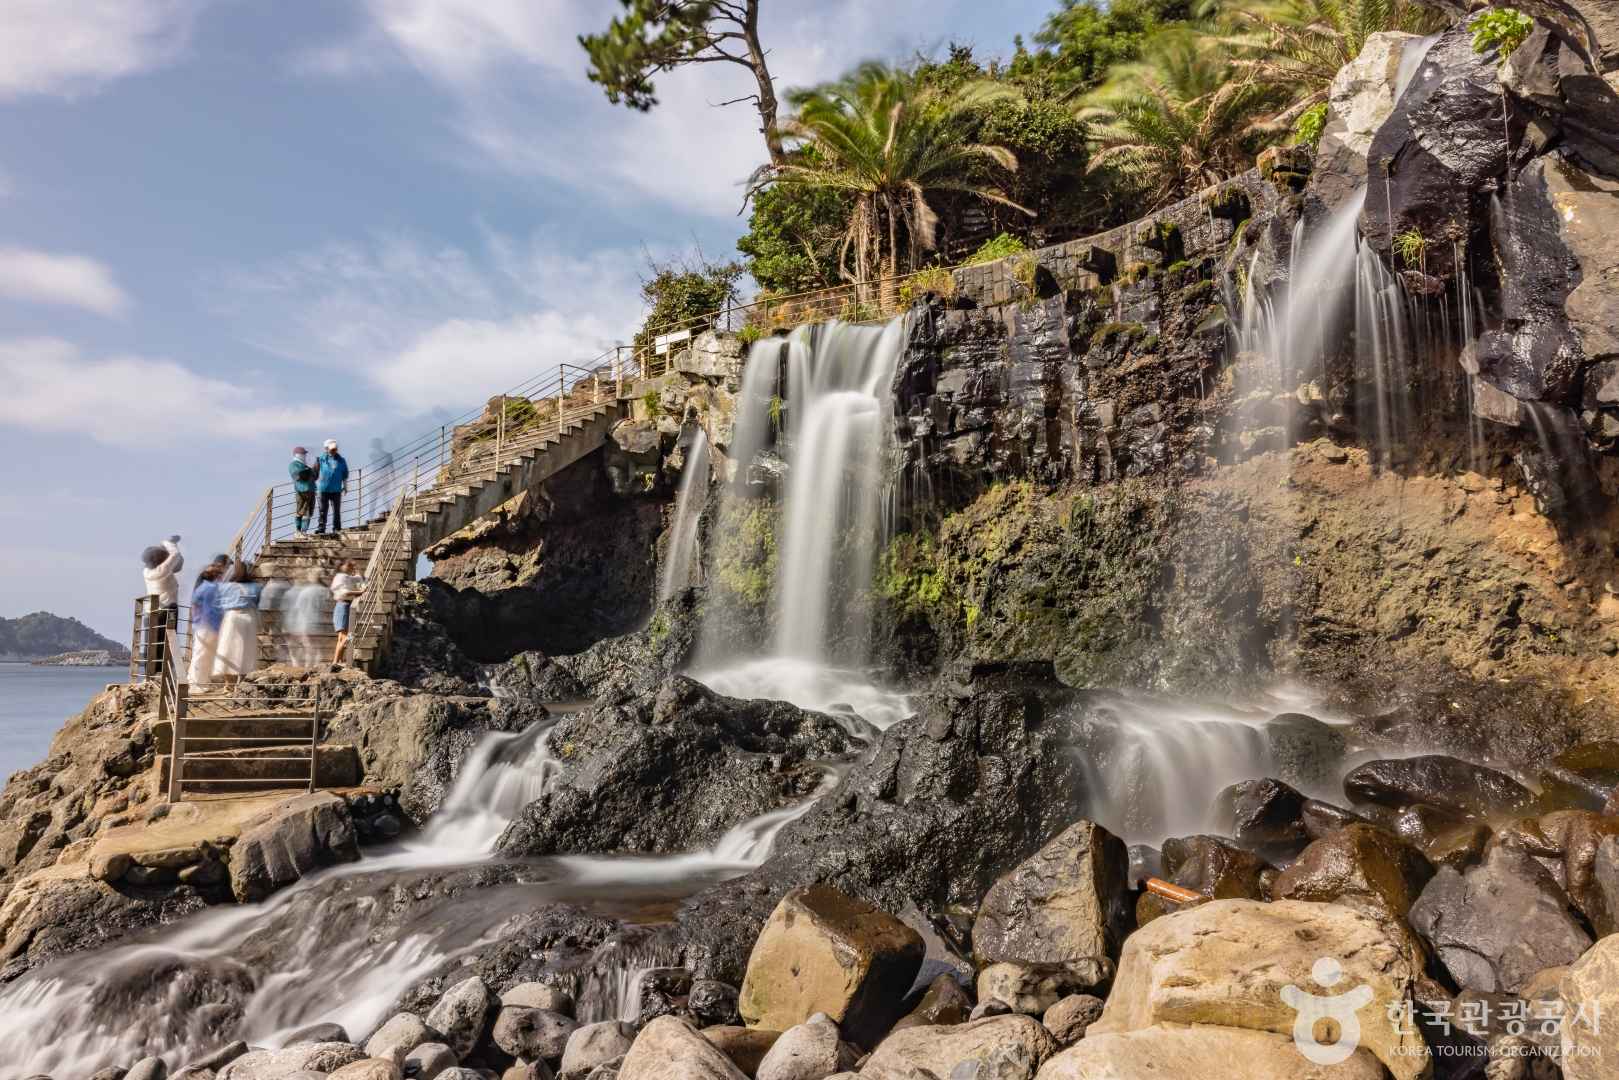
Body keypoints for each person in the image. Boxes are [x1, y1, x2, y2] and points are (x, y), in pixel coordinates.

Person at [213, 560, 263, 686]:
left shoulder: (225, 587)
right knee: (247, 650)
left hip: (232, 616)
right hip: (249, 616)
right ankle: (242, 682)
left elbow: (219, 603)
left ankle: (228, 684)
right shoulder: (256, 587)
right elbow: (257, 603)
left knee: (228, 648)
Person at [140, 535, 184, 661]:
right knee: (167, 644)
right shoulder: (162, 570)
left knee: (151, 645)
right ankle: (163, 671)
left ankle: (151, 675)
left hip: (151, 612)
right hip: (166, 611)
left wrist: (160, 549)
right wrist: (169, 542)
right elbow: (175, 555)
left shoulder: (147, 572)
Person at [187, 563, 224, 688]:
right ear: (217, 576)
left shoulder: (200, 588)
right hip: (208, 625)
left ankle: (195, 681)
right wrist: (216, 626)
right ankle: (198, 684)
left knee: (200, 653)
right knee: (204, 655)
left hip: (199, 625)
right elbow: (210, 610)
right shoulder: (211, 588)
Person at [285, 569, 328, 668]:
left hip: (306, 623)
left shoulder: (304, 591)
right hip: (320, 622)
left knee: (308, 647)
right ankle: (316, 667)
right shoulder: (325, 591)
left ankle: (309, 667)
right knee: (317, 647)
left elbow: (298, 608)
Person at [329, 559, 366, 665]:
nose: (351, 568)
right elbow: (344, 592)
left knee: (342, 637)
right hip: (342, 605)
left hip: (345, 605)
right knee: (346, 636)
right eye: (349, 566)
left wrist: (358, 574)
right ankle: (335, 662)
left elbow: (359, 582)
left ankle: (338, 661)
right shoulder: (341, 577)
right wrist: (359, 592)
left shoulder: (347, 577)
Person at [316, 439, 349, 535]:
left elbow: (345, 474)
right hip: (323, 489)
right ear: (326, 449)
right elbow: (315, 473)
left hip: (336, 489)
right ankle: (321, 528)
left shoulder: (341, 461)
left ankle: (337, 528)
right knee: (322, 509)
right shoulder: (321, 459)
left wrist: (345, 486)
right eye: (331, 449)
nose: (333, 451)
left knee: (336, 510)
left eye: (335, 449)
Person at [288, 447, 316, 537]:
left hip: (311, 490)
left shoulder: (305, 466)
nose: (305, 456)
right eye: (303, 454)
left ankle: (303, 532)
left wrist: (312, 470)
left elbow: (314, 476)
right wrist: (307, 471)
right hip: (302, 490)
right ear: (298, 455)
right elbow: (298, 476)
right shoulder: (294, 465)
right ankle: (298, 531)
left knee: (308, 513)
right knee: (301, 511)